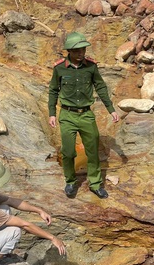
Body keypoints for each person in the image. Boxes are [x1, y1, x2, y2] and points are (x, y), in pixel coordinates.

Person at [48, 32, 119, 199]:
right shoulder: (59, 68)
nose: (81, 54)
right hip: (67, 115)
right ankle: (71, 182)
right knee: (68, 152)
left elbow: (100, 87)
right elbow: (53, 90)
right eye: (78, 51)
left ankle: (95, 183)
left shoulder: (91, 67)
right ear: (69, 51)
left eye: (83, 50)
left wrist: (111, 109)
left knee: (92, 150)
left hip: (86, 115)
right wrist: (52, 113)